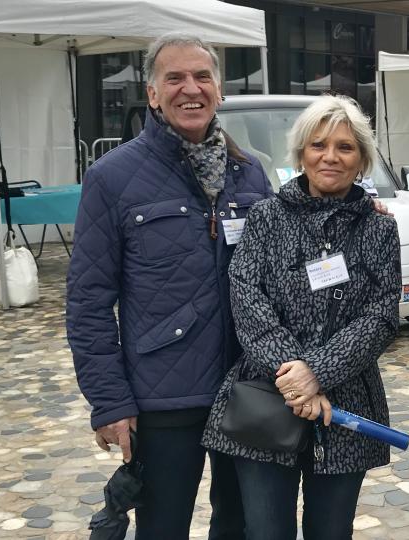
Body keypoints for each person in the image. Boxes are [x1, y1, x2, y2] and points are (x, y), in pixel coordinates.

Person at [66, 33, 272, 539]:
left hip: (246, 388)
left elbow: (286, 258)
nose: (191, 89)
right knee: (162, 528)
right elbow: (88, 302)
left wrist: (357, 211)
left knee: (241, 527)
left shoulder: (250, 174)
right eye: (174, 78)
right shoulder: (112, 178)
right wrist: (110, 402)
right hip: (163, 400)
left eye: (202, 77)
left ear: (219, 90)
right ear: (153, 94)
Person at [202, 94, 401, 540]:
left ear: (362, 159)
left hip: (346, 403)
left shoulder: (378, 227)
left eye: (345, 147)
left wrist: (319, 373)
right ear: (301, 154)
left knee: (331, 531)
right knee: (265, 530)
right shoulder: (266, 217)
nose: (330, 156)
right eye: (318, 144)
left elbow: (381, 314)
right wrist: (294, 376)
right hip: (266, 397)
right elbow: (247, 295)